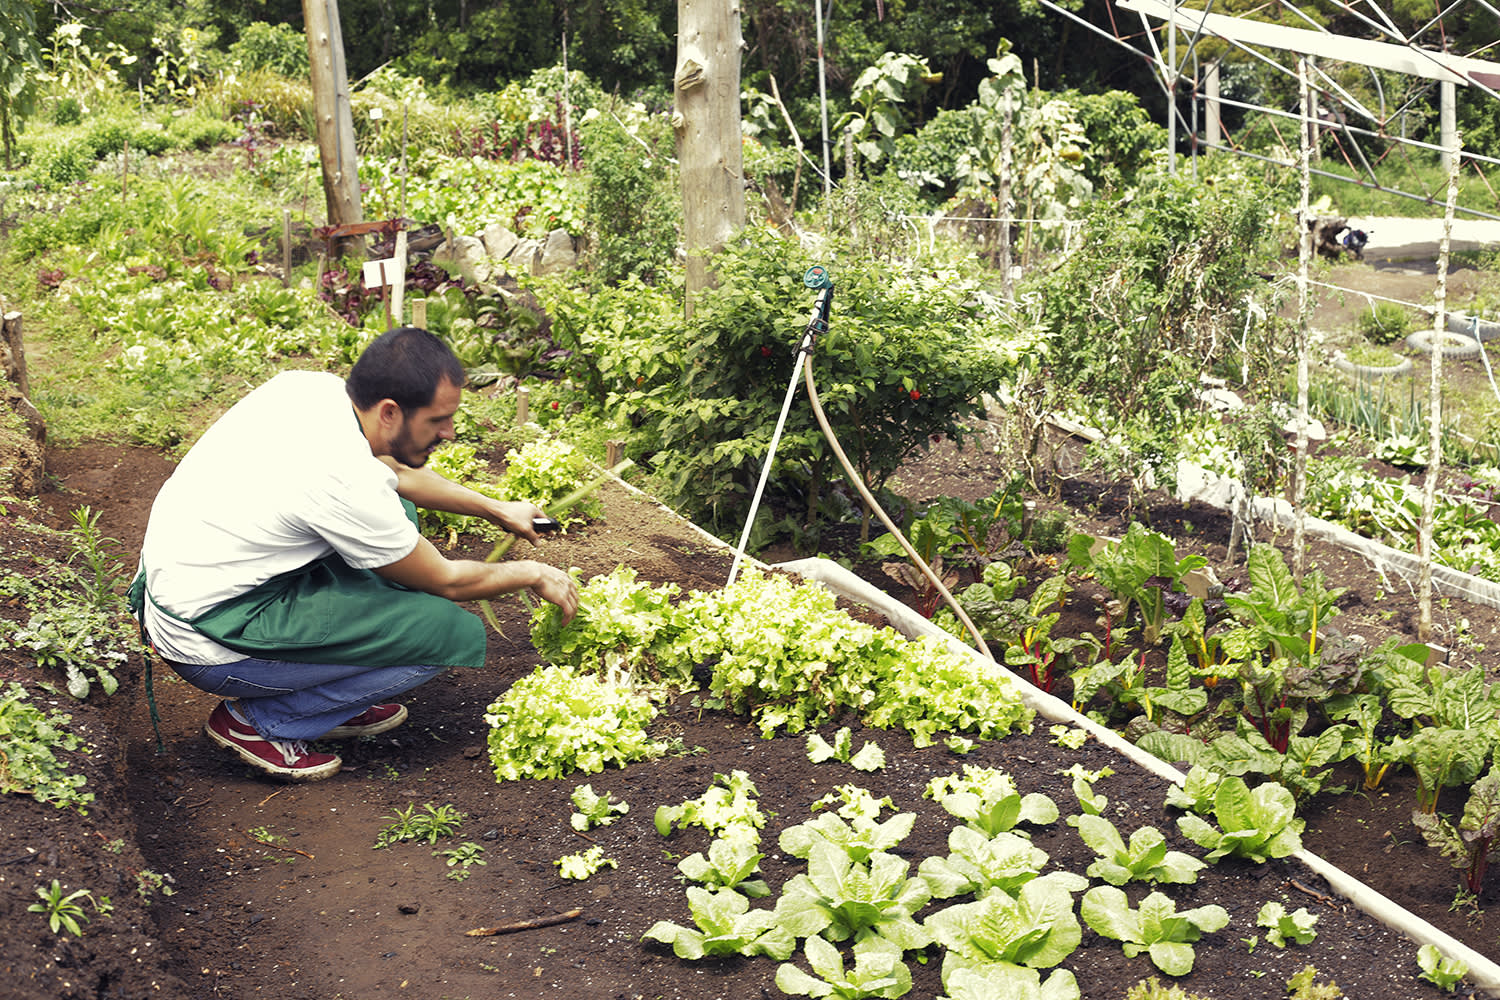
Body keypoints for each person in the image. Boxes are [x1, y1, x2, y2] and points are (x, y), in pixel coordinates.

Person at [128, 326, 579, 781]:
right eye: (438, 420)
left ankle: (331, 700)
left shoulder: (311, 390)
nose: (450, 431)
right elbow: (448, 581)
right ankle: (260, 723)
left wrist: (495, 507)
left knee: (397, 512)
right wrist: (533, 573)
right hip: (208, 640)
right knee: (443, 632)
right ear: (390, 411)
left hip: (194, 583)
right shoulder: (341, 477)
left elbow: (396, 472)